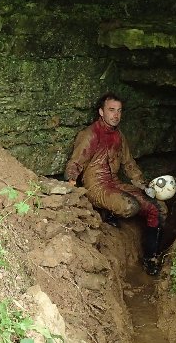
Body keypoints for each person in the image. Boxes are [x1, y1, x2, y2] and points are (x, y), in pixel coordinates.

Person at [64, 92, 166, 275]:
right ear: (101, 112)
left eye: (119, 111)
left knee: (158, 209)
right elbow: (75, 163)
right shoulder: (90, 134)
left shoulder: (119, 135)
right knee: (130, 206)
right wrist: (70, 189)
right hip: (96, 187)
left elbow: (129, 164)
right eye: (111, 110)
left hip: (115, 184)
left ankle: (151, 257)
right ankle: (106, 211)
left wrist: (145, 186)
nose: (116, 115)